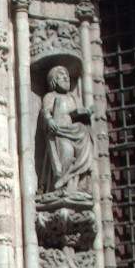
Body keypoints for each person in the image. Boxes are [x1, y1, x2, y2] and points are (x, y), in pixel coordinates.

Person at [40, 65, 94, 194]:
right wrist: (49, 120)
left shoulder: (73, 97)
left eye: (68, 76)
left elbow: (78, 111)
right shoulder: (50, 96)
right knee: (67, 155)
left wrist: (85, 112)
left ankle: (76, 186)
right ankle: (59, 186)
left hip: (75, 131)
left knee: (82, 142)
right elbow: (45, 112)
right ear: (53, 79)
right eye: (62, 74)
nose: (66, 77)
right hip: (60, 132)